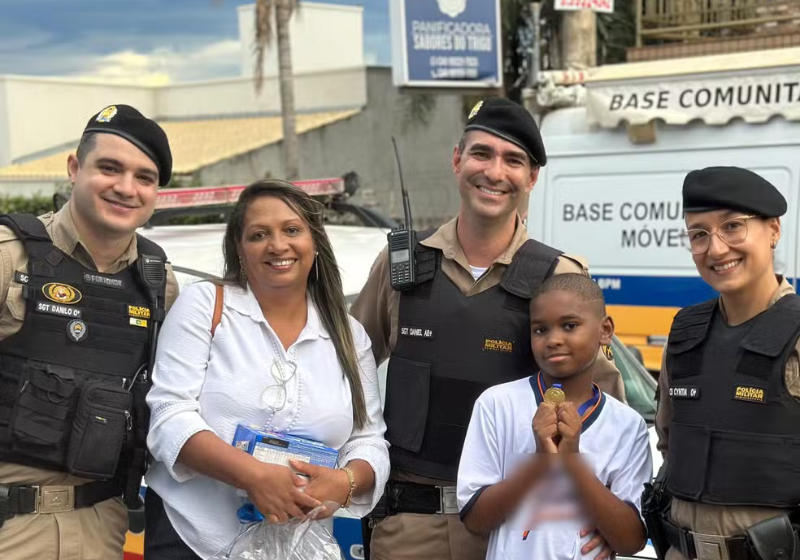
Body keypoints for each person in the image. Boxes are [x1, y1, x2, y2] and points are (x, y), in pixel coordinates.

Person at [350, 97, 626, 560]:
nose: (495, 172)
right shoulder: (402, 266)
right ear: (457, 160)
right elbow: (346, 374)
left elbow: (605, 407)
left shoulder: (558, 274)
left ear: (532, 178)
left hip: (525, 527)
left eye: (513, 160)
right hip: (412, 529)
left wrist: (608, 512)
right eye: (481, 153)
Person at [144, 180, 390, 559]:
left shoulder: (349, 335)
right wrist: (254, 475)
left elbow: (369, 439)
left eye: (292, 230)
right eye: (259, 234)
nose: (278, 245)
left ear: (315, 244)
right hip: (193, 540)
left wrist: (345, 481)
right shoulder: (206, 307)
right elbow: (169, 415)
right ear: (239, 249)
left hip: (301, 545)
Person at [0, 104, 178, 559]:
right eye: (110, 168)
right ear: (75, 168)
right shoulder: (9, 258)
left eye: (145, 177)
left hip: (104, 530)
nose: (126, 188)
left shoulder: (159, 283)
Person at [653, 166, 800, 560]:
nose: (716, 249)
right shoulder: (685, 333)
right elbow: (669, 444)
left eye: (733, 226)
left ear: (773, 230)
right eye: (699, 234)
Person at [457, 273, 652, 560]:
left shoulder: (627, 425)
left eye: (570, 326)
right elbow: (474, 520)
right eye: (540, 330)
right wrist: (539, 463)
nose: (553, 340)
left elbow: (631, 540)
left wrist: (573, 463)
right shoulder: (497, 404)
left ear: (605, 330)